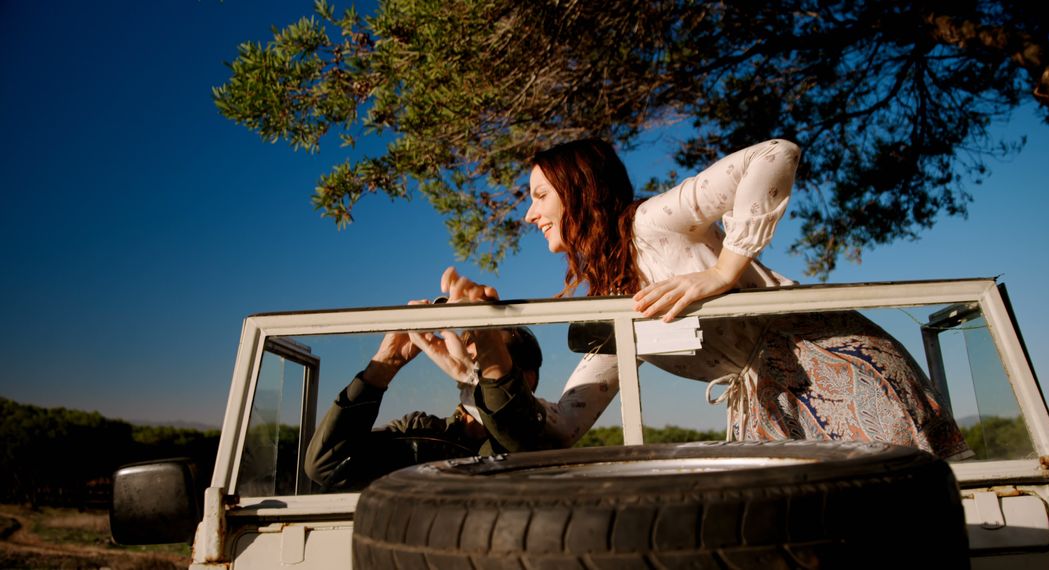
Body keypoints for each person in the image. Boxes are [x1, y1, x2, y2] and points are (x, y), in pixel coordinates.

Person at [443, 137, 970, 459]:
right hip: (768, 408)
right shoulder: (617, 301)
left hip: (831, 368)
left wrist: (723, 272)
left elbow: (775, 154)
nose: (529, 215)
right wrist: (483, 365)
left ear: (580, 189)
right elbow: (561, 428)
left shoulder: (651, 221)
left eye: (539, 196)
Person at [303, 310, 545, 490]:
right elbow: (325, 465)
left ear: (528, 380)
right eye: (470, 357)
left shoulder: (538, 442)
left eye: (489, 358)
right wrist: (386, 364)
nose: (475, 367)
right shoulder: (418, 430)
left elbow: (515, 436)